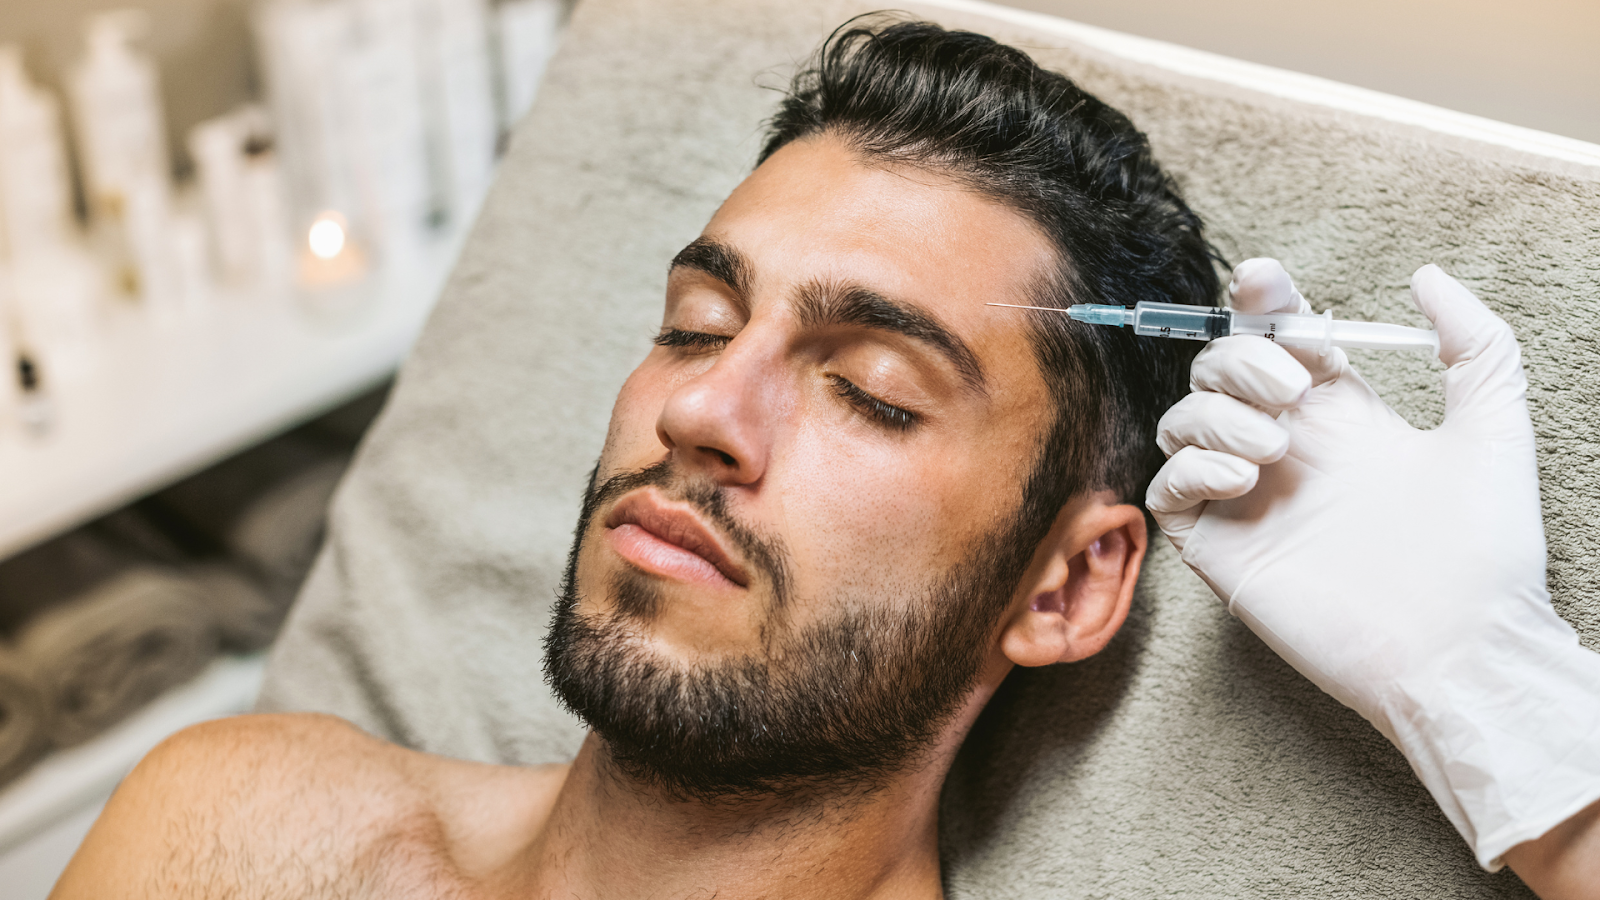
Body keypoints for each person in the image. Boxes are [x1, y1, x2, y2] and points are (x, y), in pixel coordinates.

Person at [54, 19, 1599, 899]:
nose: (702, 414)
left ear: (1066, 584)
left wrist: (1511, 716)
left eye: (868, 387)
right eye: (692, 320)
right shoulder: (247, 827)